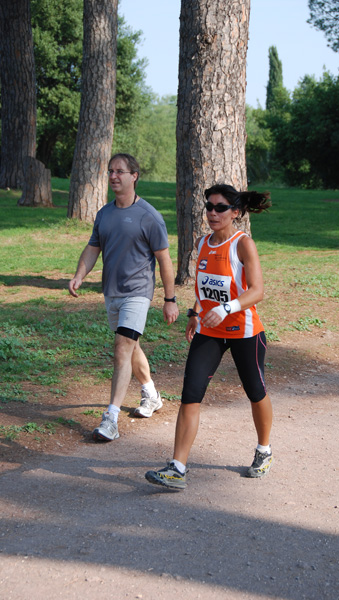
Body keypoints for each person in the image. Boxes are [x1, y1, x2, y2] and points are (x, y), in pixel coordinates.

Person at [145, 183, 273, 489]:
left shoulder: (243, 244)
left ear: (236, 213)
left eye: (220, 208)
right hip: (209, 330)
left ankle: (264, 450)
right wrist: (194, 312)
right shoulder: (203, 243)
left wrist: (228, 308)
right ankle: (177, 468)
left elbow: (257, 291)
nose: (212, 213)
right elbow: (205, 288)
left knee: (256, 392)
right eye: (209, 207)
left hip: (244, 331)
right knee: (191, 394)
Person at [68, 153, 179, 441]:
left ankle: (111, 419)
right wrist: (80, 274)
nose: (114, 176)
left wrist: (170, 299)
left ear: (134, 176)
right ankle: (152, 394)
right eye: (110, 171)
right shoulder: (104, 214)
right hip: (112, 292)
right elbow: (93, 248)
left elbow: (164, 261)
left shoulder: (149, 216)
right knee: (130, 346)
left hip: (137, 292)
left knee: (122, 347)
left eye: (120, 171)